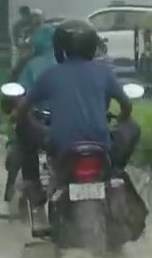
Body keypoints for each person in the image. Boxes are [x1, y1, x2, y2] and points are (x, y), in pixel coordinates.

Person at [10, 19, 137, 232]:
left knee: (23, 127)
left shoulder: (50, 74)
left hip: (61, 144)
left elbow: (23, 109)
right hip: (101, 144)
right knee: (133, 128)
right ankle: (116, 170)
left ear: (60, 47)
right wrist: (122, 119)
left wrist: (18, 117)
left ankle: (34, 185)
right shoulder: (104, 72)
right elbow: (126, 105)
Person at [0, 24, 57, 217]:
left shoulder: (31, 65)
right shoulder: (77, 65)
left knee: (19, 151)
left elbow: (19, 96)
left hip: (35, 123)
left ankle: (10, 199)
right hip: (68, 126)